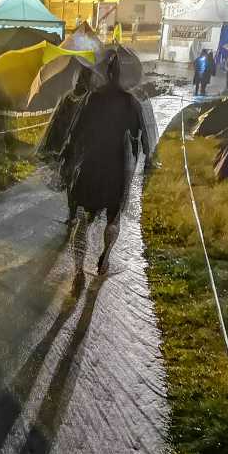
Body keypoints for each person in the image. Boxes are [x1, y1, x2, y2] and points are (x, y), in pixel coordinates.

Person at [60, 50, 153, 293]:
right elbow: (140, 138)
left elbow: (74, 134)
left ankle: (78, 270)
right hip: (117, 167)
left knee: (83, 219)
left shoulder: (92, 99)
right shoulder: (131, 102)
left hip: (91, 164)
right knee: (113, 219)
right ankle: (105, 256)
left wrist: (68, 161)